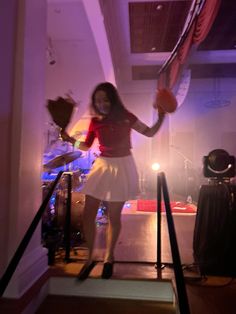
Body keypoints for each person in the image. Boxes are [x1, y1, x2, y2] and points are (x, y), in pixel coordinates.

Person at [61, 82, 166, 279]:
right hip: (102, 165)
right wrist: (70, 140)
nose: (101, 104)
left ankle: (109, 257)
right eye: (98, 101)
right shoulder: (95, 121)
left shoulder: (127, 117)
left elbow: (150, 132)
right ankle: (90, 259)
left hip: (123, 165)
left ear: (113, 100)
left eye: (105, 100)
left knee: (114, 217)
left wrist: (161, 117)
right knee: (87, 215)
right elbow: (85, 145)